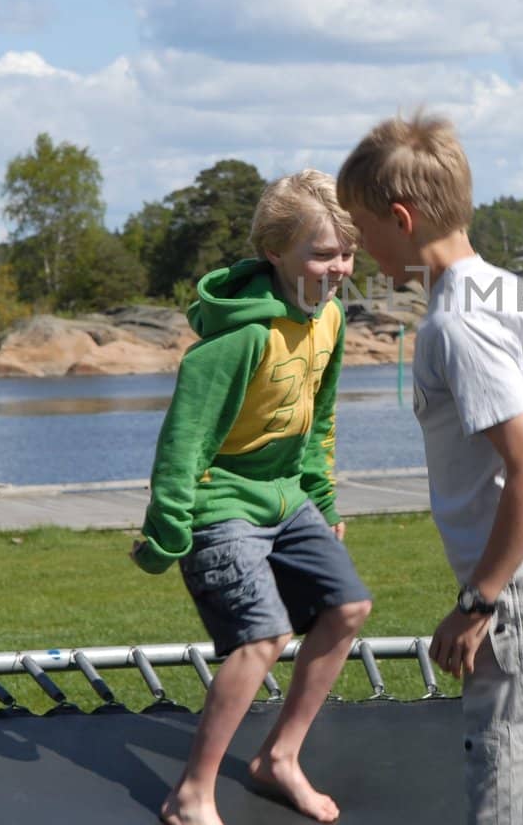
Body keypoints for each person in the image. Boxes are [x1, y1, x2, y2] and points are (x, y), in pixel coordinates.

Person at [337, 113, 523, 825]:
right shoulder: (510, 290)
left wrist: (482, 600)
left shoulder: (456, 323)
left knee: (516, 808)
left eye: (362, 230)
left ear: (401, 219)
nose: (360, 248)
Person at [131, 169, 373, 825]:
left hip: (285, 495)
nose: (339, 267)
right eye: (323, 253)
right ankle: (190, 795)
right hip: (219, 500)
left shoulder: (329, 319)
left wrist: (322, 502)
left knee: (348, 606)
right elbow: (182, 445)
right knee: (262, 635)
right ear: (276, 250)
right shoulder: (237, 339)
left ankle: (279, 758)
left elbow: (317, 422)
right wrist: (166, 533)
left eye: (346, 253)